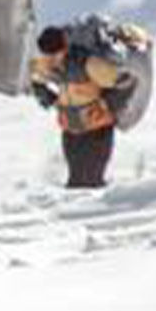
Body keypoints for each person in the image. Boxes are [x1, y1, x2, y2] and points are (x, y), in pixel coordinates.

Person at [29, 25, 122, 189]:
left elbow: (122, 82)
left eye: (53, 55)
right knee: (74, 183)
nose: (50, 60)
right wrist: (46, 95)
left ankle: (104, 212)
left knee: (92, 183)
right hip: (71, 133)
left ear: (64, 48)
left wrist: (106, 103)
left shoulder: (90, 64)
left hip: (97, 132)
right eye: (46, 56)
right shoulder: (48, 63)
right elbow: (31, 76)